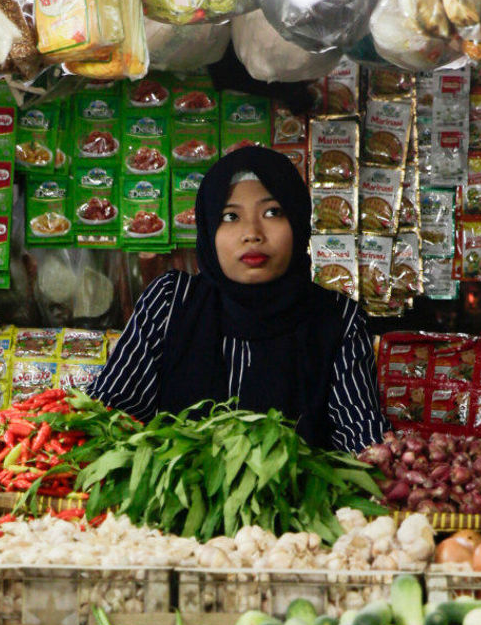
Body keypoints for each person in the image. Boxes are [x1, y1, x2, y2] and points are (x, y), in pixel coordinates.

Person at [89, 145, 387, 453]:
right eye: (230, 216)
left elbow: (362, 439)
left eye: (272, 212)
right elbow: (111, 412)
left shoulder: (337, 319)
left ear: (298, 222)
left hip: (297, 500)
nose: (252, 233)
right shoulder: (170, 302)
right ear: (208, 228)